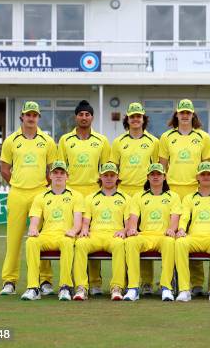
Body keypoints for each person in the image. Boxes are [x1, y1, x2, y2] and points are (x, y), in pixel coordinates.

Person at [0, 101, 57, 296]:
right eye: (28, 114)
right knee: (13, 239)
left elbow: (53, 170)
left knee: (42, 237)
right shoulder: (11, 140)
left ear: (38, 117)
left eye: (35, 115)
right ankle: (9, 281)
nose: (31, 118)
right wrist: (17, 184)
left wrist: (45, 188)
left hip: (40, 193)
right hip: (17, 193)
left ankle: (45, 280)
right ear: (22, 117)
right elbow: (5, 170)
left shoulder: (47, 141)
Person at [159, 99, 210, 296]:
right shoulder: (166, 137)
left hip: (194, 191)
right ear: (176, 115)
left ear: (193, 115)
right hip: (172, 191)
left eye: (188, 113)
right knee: (173, 236)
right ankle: (172, 281)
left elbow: (207, 167)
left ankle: (196, 283)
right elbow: (162, 166)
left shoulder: (203, 137)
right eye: (181, 112)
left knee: (194, 234)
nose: (184, 116)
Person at [57, 100, 111, 296]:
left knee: (92, 237)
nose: (84, 117)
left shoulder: (101, 141)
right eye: (80, 114)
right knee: (72, 239)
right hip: (71, 193)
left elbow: (107, 169)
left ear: (92, 117)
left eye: (87, 114)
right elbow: (60, 168)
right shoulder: (65, 140)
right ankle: (71, 282)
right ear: (76, 117)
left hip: (94, 192)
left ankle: (95, 283)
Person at [111, 102, 160, 296]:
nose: (136, 119)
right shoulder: (118, 142)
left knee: (144, 236)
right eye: (132, 117)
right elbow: (113, 169)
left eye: (139, 116)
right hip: (124, 194)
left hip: (145, 194)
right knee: (125, 238)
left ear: (143, 118)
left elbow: (157, 170)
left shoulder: (153, 142)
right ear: (127, 119)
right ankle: (123, 281)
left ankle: (146, 282)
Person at [21, 161, 84, 301]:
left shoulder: (76, 196)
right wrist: (32, 230)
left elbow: (78, 222)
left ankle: (65, 287)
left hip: (65, 235)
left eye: (62, 173)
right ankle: (33, 288)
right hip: (47, 235)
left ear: (67, 176)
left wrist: (73, 231)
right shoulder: (40, 197)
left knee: (68, 243)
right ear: (50, 175)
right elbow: (34, 222)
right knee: (31, 242)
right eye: (55, 173)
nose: (58, 176)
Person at [123, 163, 181, 302]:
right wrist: (132, 229)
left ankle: (166, 287)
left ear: (164, 177)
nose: (155, 177)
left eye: (158, 174)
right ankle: (133, 288)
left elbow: (175, 219)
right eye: (152, 174)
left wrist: (171, 230)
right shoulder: (139, 197)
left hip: (163, 236)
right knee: (131, 241)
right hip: (145, 235)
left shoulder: (173, 196)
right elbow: (133, 218)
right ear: (148, 177)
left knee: (169, 242)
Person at [72, 163, 129, 301]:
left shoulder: (126, 198)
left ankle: (117, 287)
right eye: (105, 175)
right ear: (100, 177)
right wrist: (84, 230)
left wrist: (123, 230)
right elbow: (86, 221)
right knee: (80, 244)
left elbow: (128, 223)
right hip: (95, 234)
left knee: (120, 245)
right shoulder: (90, 198)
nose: (109, 178)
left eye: (112, 175)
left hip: (114, 235)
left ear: (117, 177)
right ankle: (81, 288)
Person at [175, 162, 210, 302]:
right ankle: (184, 289)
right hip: (194, 238)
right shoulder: (189, 198)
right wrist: (181, 229)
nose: (206, 177)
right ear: (197, 177)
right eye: (202, 174)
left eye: (208, 174)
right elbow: (185, 217)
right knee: (180, 242)